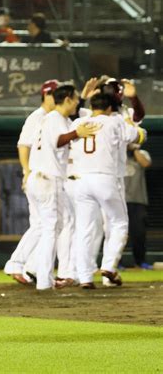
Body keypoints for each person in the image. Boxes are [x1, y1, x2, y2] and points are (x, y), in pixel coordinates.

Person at [26, 84, 99, 290]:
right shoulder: (56, 119)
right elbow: (59, 140)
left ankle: (45, 276)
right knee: (52, 229)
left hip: (38, 178)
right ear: (67, 99)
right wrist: (76, 133)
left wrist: (75, 130)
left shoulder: (51, 118)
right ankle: (43, 280)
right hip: (49, 179)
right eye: (75, 99)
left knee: (56, 225)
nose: (77, 103)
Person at [71, 92, 144, 288]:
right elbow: (136, 135)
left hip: (81, 180)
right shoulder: (115, 121)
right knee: (119, 223)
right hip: (105, 178)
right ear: (111, 108)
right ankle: (109, 266)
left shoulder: (78, 123)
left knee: (84, 230)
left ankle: (85, 277)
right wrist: (126, 117)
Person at [3, 79, 58, 284]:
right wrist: (26, 171)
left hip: (41, 177)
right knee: (42, 225)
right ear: (45, 95)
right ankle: (18, 264)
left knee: (41, 226)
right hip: (38, 177)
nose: (56, 97)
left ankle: (29, 267)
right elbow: (23, 145)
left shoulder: (53, 117)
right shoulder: (37, 117)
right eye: (53, 94)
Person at [125, 144, 152, 269]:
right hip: (120, 200)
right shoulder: (117, 153)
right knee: (119, 233)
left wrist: (134, 149)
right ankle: (115, 263)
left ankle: (140, 262)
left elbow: (145, 163)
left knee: (139, 233)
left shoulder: (142, 153)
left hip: (138, 200)